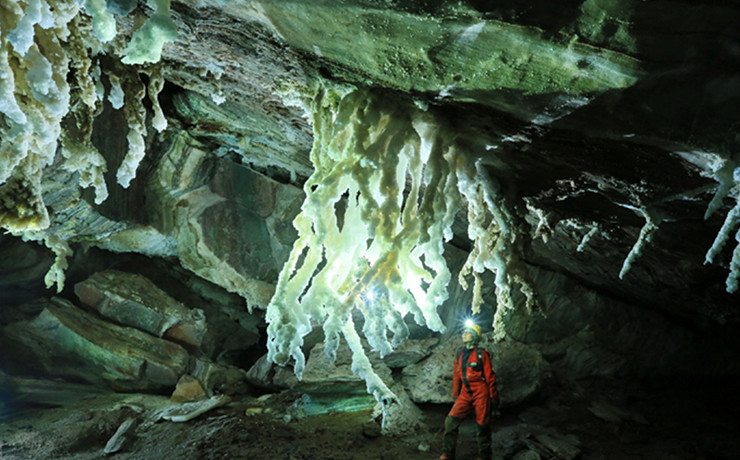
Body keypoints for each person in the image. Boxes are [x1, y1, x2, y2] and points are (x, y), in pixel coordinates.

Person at [440, 320, 500, 460]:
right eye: (464, 332)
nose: (464, 334)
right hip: (465, 393)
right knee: (450, 421)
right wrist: (456, 395)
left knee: (482, 424)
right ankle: (448, 454)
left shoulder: (481, 353)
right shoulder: (459, 352)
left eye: (467, 332)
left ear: (474, 336)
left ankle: (484, 456)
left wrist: (494, 397)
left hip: (481, 392)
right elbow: (456, 375)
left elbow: (489, 375)